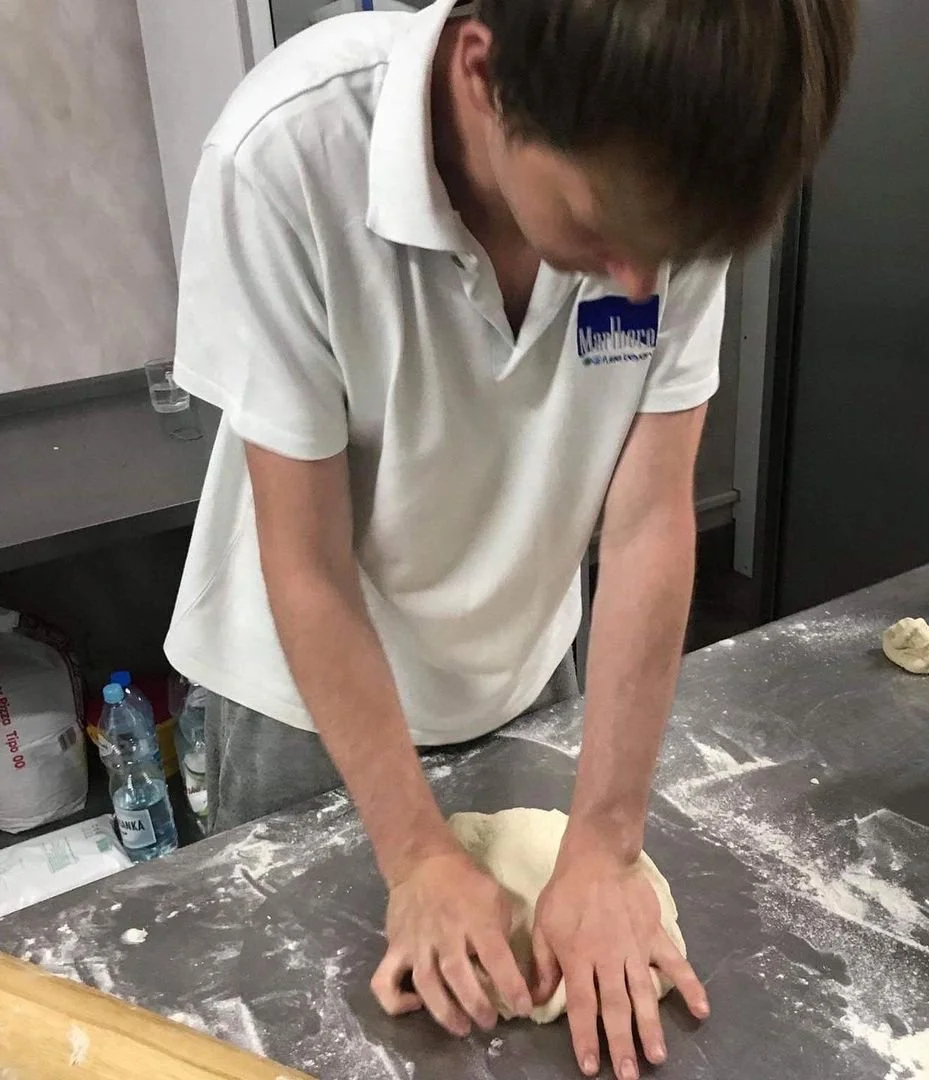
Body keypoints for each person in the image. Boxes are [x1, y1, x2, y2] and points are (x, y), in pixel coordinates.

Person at [164, 0, 856, 1073]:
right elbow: (304, 562)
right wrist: (413, 856)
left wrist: (608, 845)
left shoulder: (666, 171)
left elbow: (644, 523)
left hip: (527, 667)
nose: (641, 282)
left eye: (669, 251)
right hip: (307, 707)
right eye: (601, 225)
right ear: (485, 78)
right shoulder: (286, 160)